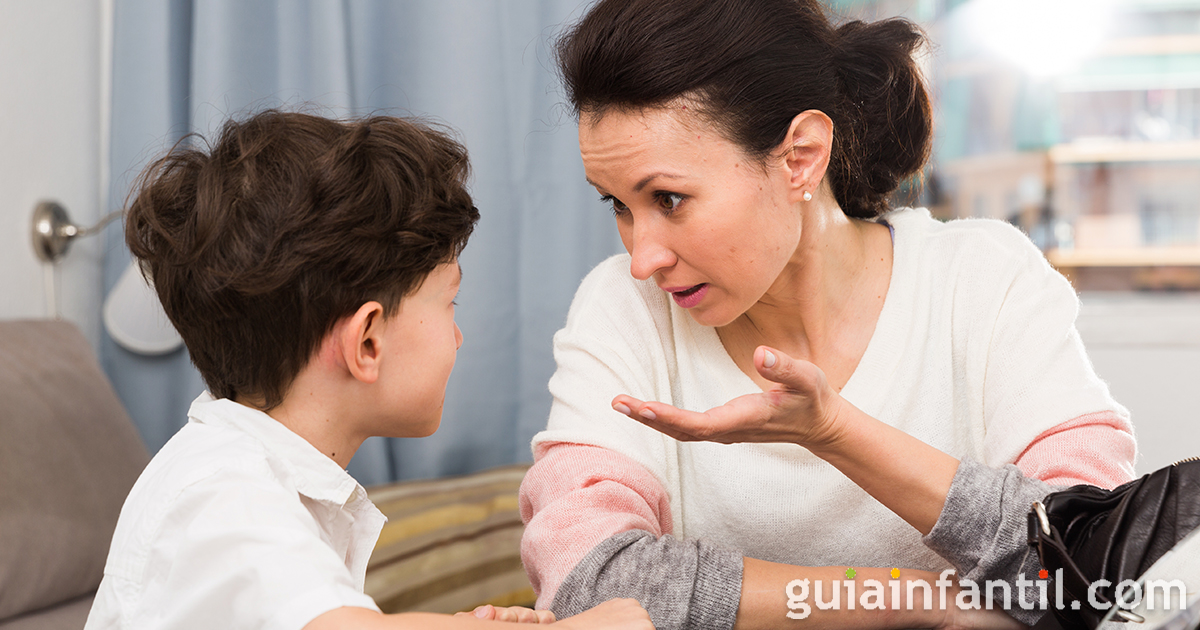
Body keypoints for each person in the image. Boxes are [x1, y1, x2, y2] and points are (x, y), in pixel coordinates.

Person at [518, 1, 1137, 628]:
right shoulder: (625, 311)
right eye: (619, 206)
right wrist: (911, 601)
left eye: (669, 199)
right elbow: (586, 576)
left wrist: (836, 431)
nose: (642, 259)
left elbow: (1094, 563)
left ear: (801, 156)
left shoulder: (982, 280)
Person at [85, 111, 653, 630]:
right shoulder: (219, 491)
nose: (458, 335)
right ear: (367, 341)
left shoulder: (252, 477)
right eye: (449, 303)